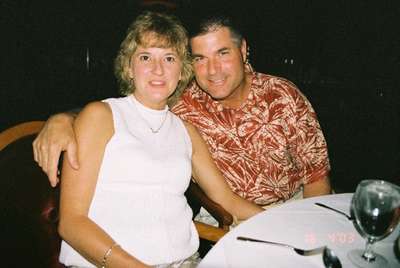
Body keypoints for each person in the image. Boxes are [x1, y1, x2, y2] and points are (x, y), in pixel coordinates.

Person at [33, 12, 331, 221]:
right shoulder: (183, 100)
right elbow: (125, 108)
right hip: (223, 219)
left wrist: (301, 227)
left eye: (223, 53)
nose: (213, 71)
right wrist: (62, 118)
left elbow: (317, 178)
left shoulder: (283, 96)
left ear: (243, 50)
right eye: (200, 58)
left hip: (291, 208)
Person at [55, 11, 262, 268]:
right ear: (129, 68)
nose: (158, 69)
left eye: (169, 58)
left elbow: (228, 201)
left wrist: (287, 218)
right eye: (145, 57)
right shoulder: (101, 116)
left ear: (182, 70)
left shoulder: (186, 131)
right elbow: (72, 223)